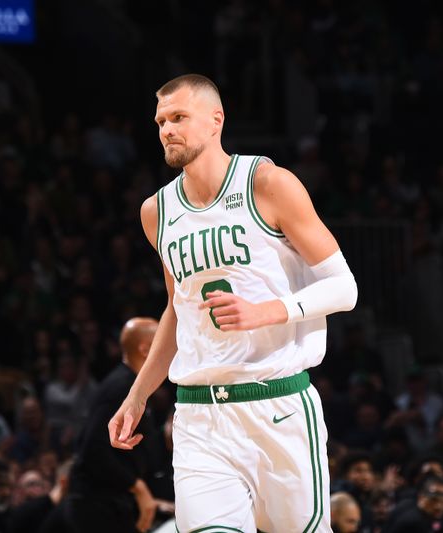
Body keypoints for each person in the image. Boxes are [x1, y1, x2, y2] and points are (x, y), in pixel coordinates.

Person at [108, 74, 358, 532]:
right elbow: (175, 309)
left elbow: (345, 289)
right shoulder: (156, 212)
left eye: (179, 117)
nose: (167, 129)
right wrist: (138, 394)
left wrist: (267, 311)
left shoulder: (268, 183)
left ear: (215, 120)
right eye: (161, 121)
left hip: (278, 407)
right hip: (200, 417)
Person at [67, 317, 162, 533]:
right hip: (97, 504)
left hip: (111, 501)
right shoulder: (121, 387)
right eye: (162, 340)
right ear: (146, 349)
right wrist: (138, 488)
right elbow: (92, 447)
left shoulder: (131, 384)